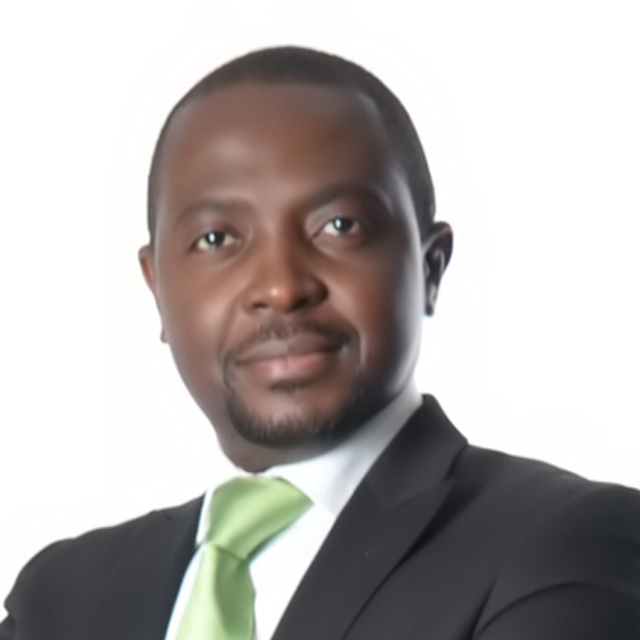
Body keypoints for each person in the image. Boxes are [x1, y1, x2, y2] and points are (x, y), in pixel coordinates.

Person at [2, 46, 639, 640]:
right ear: (158, 288)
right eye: (217, 239)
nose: (280, 288)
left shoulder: (567, 544)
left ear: (430, 268)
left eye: (339, 226)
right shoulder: (62, 598)